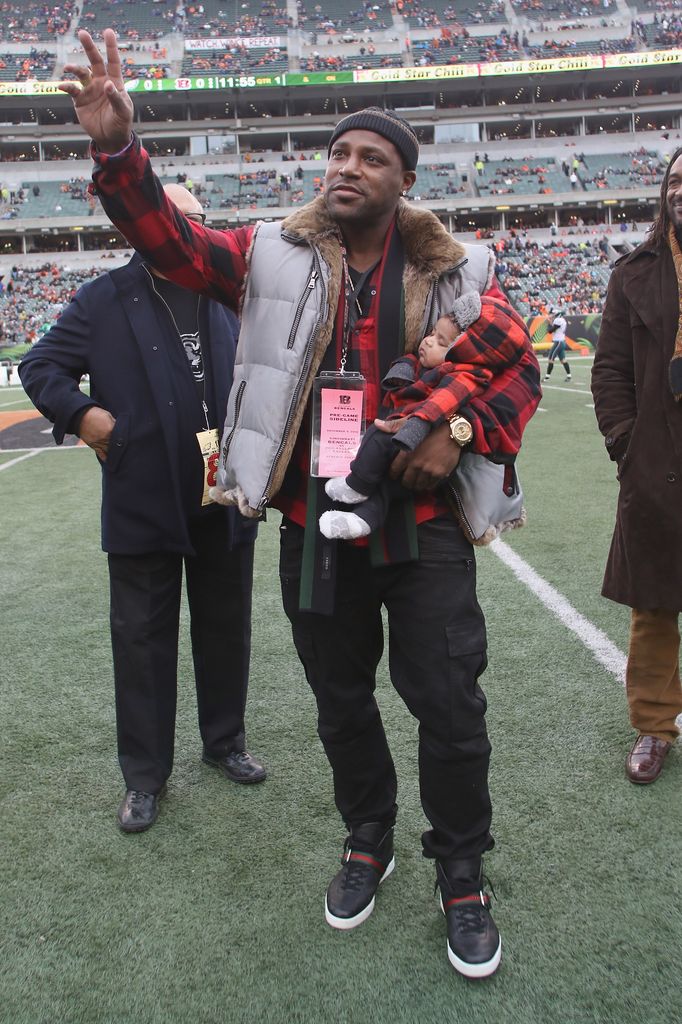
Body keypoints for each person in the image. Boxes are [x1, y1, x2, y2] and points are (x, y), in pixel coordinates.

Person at [58, 30, 540, 978]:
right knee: (338, 698)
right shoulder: (272, 254)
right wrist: (120, 152)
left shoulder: (462, 269)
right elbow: (172, 240)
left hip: (426, 523)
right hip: (312, 525)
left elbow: (512, 375)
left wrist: (462, 430)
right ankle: (368, 833)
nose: (346, 168)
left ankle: (463, 869)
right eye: (338, 155)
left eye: (370, 158)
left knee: (449, 702)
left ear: (404, 179)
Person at [19, 184, 266, 835]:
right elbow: (40, 365)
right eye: (183, 223)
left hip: (224, 488)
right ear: (147, 227)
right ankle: (145, 777)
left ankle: (224, 742)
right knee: (141, 642)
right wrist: (87, 417)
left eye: (200, 224)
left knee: (226, 625)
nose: (193, 234)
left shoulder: (225, 293)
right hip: (143, 497)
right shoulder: (104, 300)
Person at [592, 146, 682, 786]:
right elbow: (611, 371)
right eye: (676, 181)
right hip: (658, 460)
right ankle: (654, 726)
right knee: (654, 605)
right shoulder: (633, 274)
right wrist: (627, 442)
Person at [319, 291, 532, 539]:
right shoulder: (425, 363)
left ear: (463, 351)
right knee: (386, 487)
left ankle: (357, 485)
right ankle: (361, 519)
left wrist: (456, 431)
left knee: (379, 441)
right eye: (432, 334)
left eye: (442, 342)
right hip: (313, 482)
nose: (429, 341)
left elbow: (521, 375)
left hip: (432, 504)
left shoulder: (460, 373)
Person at [543, 309, 571, 382]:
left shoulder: (558, 320)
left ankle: (547, 377)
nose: (552, 315)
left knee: (551, 359)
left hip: (558, 342)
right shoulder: (561, 320)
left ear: (557, 314)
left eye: (554, 314)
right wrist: (550, 322)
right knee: (563, 360)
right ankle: (569, 376)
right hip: (561, 342)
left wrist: (549, 323)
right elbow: (555, 328)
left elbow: (550, 330)